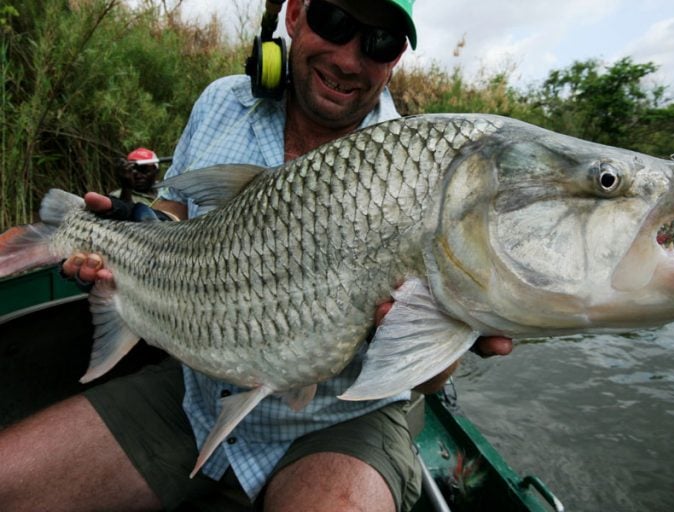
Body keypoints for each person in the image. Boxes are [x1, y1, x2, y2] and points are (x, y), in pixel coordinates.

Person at [0, 1, 513, 510]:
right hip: (195, 392)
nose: (350, 60)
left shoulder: (420, 170)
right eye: (335, 22)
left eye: (380, 43)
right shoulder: (221, 100)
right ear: (294, 16)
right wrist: (137, 236)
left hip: (339, 421)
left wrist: (443, 326)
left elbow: (428, 378)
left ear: (396, 57)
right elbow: (175, 215)